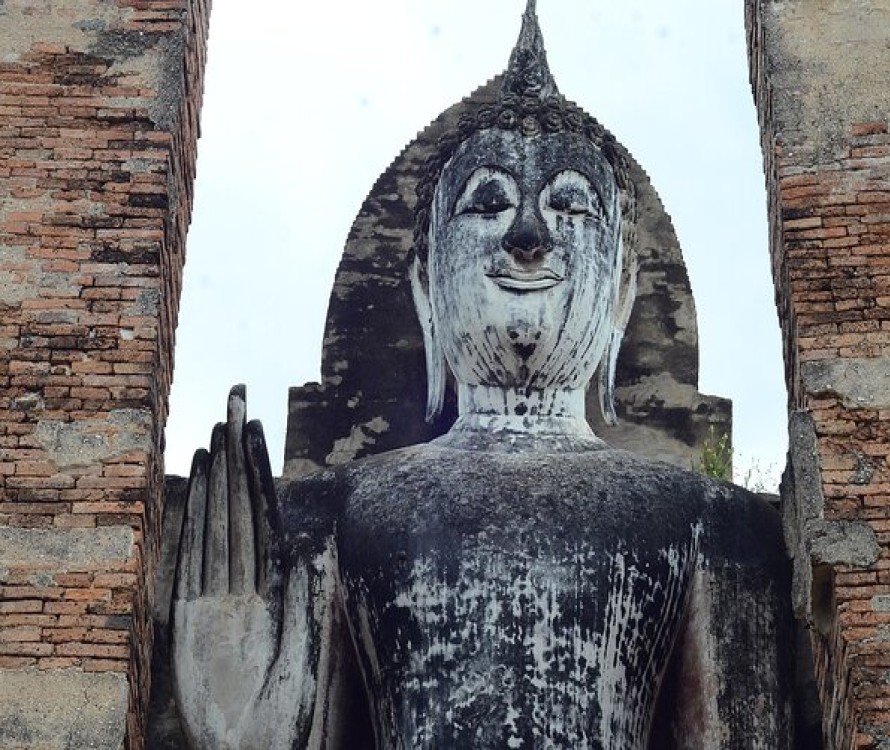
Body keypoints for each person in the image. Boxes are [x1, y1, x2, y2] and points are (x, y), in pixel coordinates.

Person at [169, 4, 794, 747]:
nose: (529, 236)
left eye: (571, 204)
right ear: (426, 286)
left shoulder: (714, 525)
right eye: (489, 202)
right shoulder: (330, 513)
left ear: (622, 291)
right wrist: (238, 720)